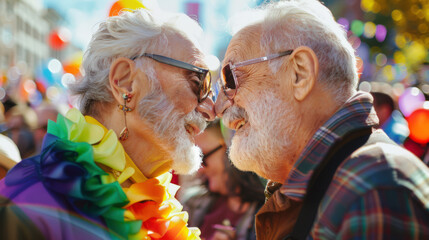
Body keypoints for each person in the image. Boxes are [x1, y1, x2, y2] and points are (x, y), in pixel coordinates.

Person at [214, 0, 429, 239]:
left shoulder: (372, 189)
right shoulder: (350, 181)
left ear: (300, 73)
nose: (219, 106)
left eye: (230, 80)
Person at [0, 8, 215, 240]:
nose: (210, 110)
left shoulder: (163, 213)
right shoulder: (30, 203)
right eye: (198, 82)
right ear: (125, 82)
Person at [181, 121, 265, 240]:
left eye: (203, 157)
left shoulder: (268, 213)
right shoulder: (191, 204)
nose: (199, 169)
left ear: (230, 150)